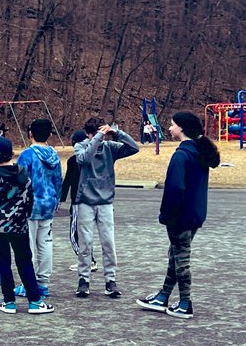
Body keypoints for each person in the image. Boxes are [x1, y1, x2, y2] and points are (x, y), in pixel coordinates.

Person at [136, 110, 220, 319]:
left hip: (180, 216)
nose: (170, 128)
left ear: (181, 129)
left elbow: (174, 189)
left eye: (173, 125)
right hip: (195, 214)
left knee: (181, 258)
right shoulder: (199, 152)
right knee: (175, 254)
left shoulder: (181, 155)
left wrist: (166, 215)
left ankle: (185, 302)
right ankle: (163, 296)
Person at [0, 135, 55, 315]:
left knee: (3, 263)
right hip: (20, 227)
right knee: (25, 262)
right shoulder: (24, 176)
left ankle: (9, 301)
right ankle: (35, 301)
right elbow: (30, 201)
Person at [72, 118, 139, 298]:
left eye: (103, 133)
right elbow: (84, 159)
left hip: (105, 202)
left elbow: (133, 148)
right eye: (95, 134)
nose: (101, 138)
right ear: (88, 134)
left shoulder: (110, 147)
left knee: (108, 242)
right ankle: (83, 279)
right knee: (85, 243)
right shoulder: (80, 146)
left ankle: (110, 279)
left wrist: (117, 132)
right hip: (85, 201)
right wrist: (97, 138)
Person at [16, 118, 62, 295]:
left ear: (30, 134)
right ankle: (43, 282)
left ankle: (28, 283)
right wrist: (56, 200)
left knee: (27, 246)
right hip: (48, 204)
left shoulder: (27, 155)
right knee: (45, 244)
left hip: (29, 206)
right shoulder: (54, 155)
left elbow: (19, 181)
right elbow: (58, 181)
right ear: (50, 135)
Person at [60, 131, 97, 273]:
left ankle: (87, 260)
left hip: (77, 200)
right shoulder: (94, 158)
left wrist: (61, 199)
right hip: (92, 199)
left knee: (74, 232)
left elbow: (67, 181)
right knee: (86, 232)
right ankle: (89, 259)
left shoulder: (73, 160)